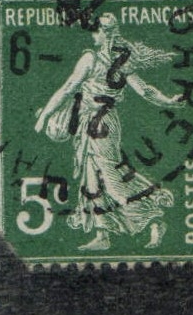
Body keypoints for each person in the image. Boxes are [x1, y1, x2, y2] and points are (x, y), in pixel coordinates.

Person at [32, 14, 178, 251]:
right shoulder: (122, 61)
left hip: (99, 124)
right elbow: (147, 91)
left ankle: (153, 218)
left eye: (96, 31)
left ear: (103, 32)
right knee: (91, 177)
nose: (93, 35)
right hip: (96, 121)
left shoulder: (91, 59)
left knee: (110, 178)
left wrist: (45, 115)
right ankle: (103, 235)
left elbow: (68, 88)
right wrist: (169, 101)